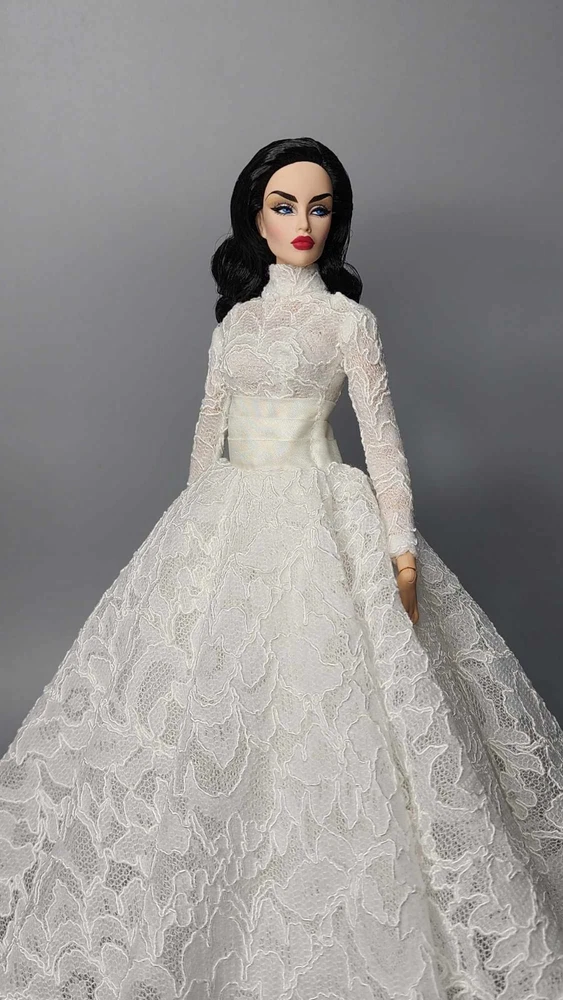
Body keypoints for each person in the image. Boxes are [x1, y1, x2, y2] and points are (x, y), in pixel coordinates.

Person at [1, 136, 562, 1000]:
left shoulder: (345, 322)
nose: (303, 222)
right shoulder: (236, 322)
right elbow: (210, 422)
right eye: (284, 205)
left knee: (328, 690)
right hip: (228, 509)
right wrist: (192, 528)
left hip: (319, 514)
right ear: (254, 217)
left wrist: (400, 552)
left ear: (337, 219)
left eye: (320, 207)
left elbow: (381, 439)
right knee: (217, 695)